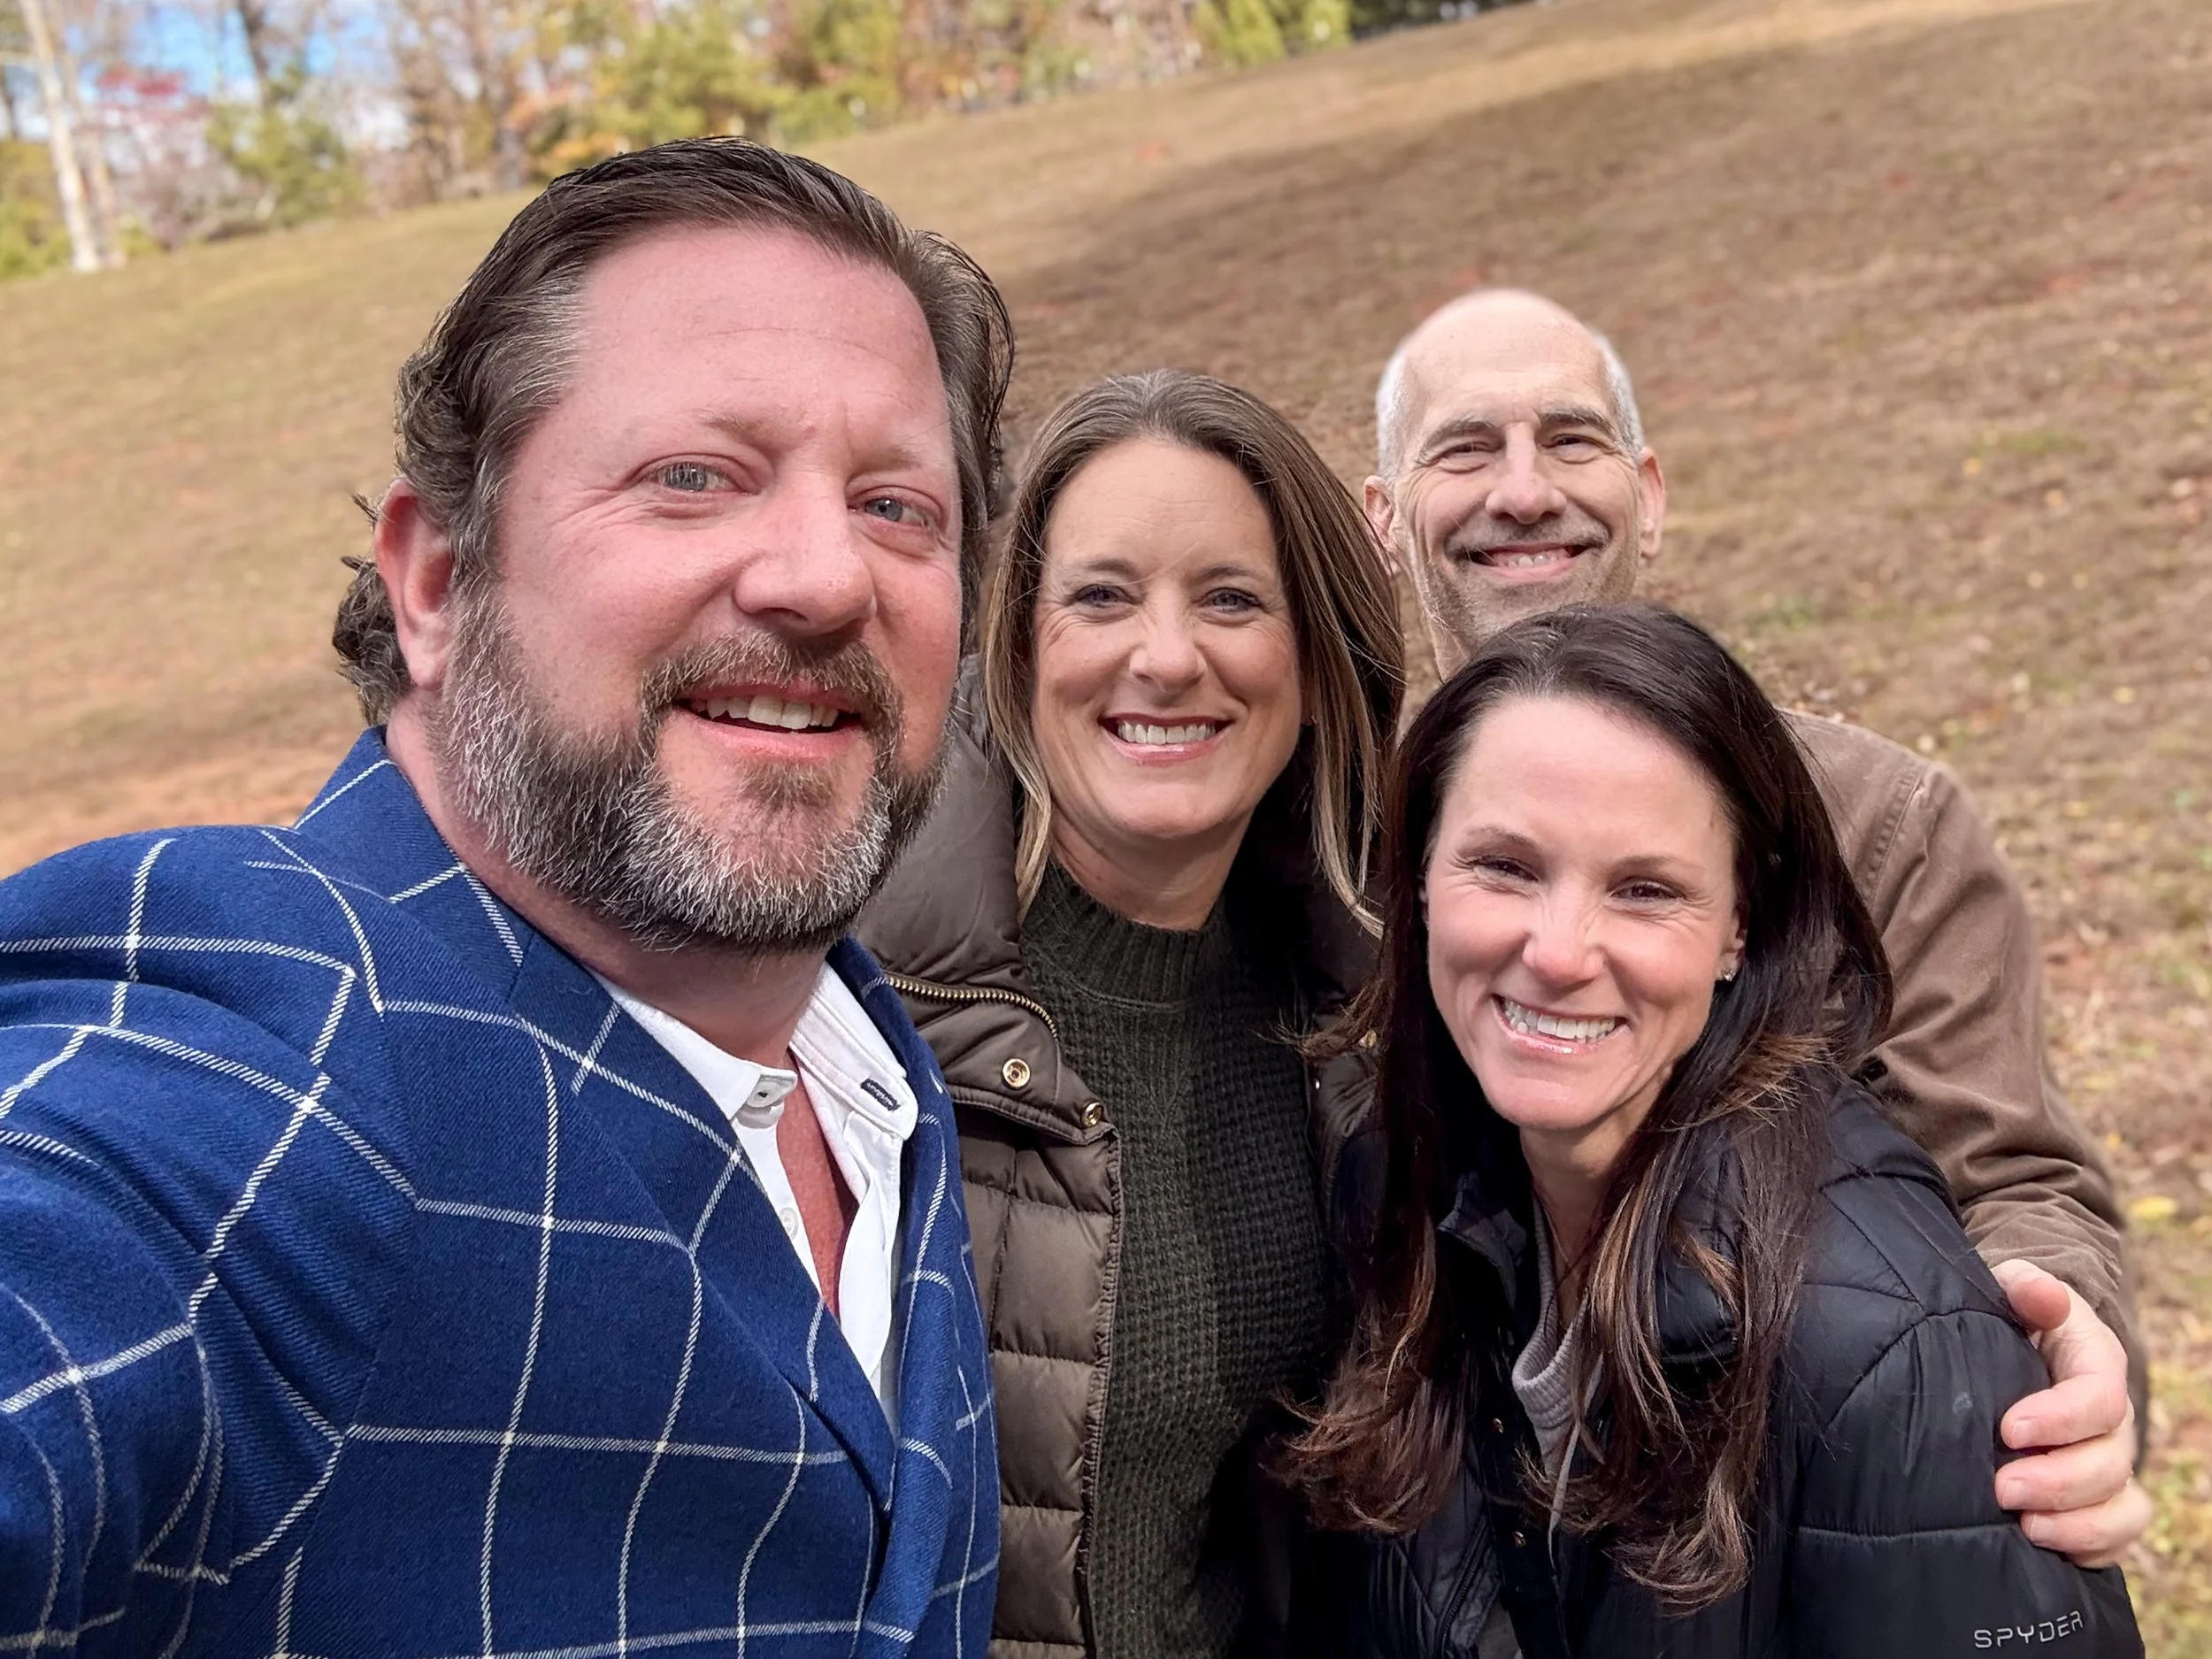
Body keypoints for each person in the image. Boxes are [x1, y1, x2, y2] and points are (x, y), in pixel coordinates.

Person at [0, 139, 1010, 1656]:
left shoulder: (879, 1075)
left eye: (898, 508)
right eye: (692, 477)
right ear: (434, 582)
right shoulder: (271, 1034)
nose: (825, 576)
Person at [1358, 287, 2149, 1560]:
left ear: (1649, 492)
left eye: (1571, 439)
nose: (1521, 489)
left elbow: (2014, 1181)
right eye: (1464, 448)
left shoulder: (1881, 822)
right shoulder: (1335, 829)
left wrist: (2048, 1360)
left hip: (1764, 1544)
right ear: (1384, 522)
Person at [1290, 603, 2143, 1657]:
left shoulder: (1882, 1356)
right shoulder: (1404, 1202)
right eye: (1504, 866)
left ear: (1740, 928)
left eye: (1644, 890)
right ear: (1417, 880)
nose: (1557, 951)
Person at [858, 368, 1403, 1658]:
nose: (1165, 655)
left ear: (1319, 667)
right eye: (1101, 596)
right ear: (1020, 646)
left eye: (1231, 598)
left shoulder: (1363, 1025)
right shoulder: (853, 1001)